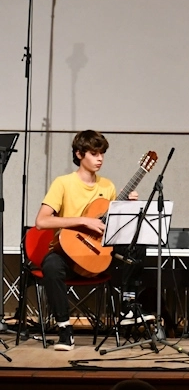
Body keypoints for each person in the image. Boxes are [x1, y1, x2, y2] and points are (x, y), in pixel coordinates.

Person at [35, 130, 138, 351]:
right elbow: (42, 221)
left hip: (97, 256)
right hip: (68, 255)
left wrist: (127, 208)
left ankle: (128, 306)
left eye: (102, 154)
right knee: (51, 265)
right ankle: (65, 329)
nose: (100, 159)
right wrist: (83, 221)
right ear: (79, 154)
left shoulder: (107, 186)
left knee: (135, 249)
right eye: (94, 153)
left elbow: (114, 227)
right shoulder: (63, 183)